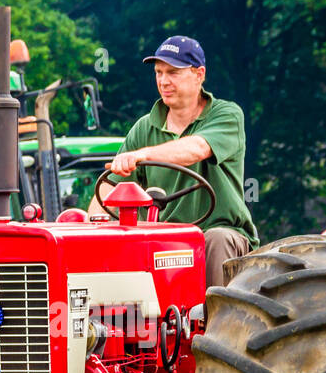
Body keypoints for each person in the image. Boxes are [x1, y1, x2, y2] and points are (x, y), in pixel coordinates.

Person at [92, 35, 258, 287]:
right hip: (161, 240)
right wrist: (93, 227)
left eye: (173, 72)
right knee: (121, 243)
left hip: (218, 234)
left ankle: (218, 322)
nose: (163, 80)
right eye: (158, 72)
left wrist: (142, 156)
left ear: (199, 74)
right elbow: (109, 188)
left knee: (217, 239)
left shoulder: (227, 114)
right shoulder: (144, 127)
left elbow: (196, 149)